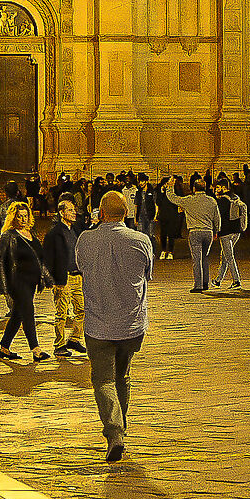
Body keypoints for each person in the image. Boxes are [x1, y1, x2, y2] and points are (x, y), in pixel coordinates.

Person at [77, 190, 154, 462]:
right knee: (122, 376)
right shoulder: (141, 240)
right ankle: (122, 428)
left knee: (103, 380)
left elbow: (80, 267)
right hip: (131, 324)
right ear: (126, 212)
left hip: (98, 323)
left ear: (100, 213)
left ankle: (114, 431)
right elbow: (147, 274)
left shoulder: (86, 240)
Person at [0, 202, 50, 362]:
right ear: (13, 217)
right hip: (17, 281)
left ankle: (4, 347)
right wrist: (4, 285)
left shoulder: (30, 233)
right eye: (20, 216)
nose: (23, 219)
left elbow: (39, 256)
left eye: (26, 215)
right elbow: (1, 262)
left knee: (18, 314)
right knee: (28, 312)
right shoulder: (7, 236)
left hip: (31, 281)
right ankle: (36, 349)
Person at [43, 196, 87, 357]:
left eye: (74, 210)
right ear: (61, 213)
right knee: (61, 313)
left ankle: (74, 339)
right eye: (70, 210)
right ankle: (59, 345)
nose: (74, 212)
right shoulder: (54, 233)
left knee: (82, 310)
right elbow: (46, 258)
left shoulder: (75, 230)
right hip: (63, 278)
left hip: (77, 276)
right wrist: (53, 279)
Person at [214, 179, 246, 289]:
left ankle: (236, 280)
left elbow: (218, 217)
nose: (216, 190)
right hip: (237, 231)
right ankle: (218, 280)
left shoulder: (222, 200)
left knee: (229, 257)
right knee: (225, 256)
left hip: (225, 232)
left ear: (223, 188)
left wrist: (216, 231)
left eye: (218, 187)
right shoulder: (236, 197)